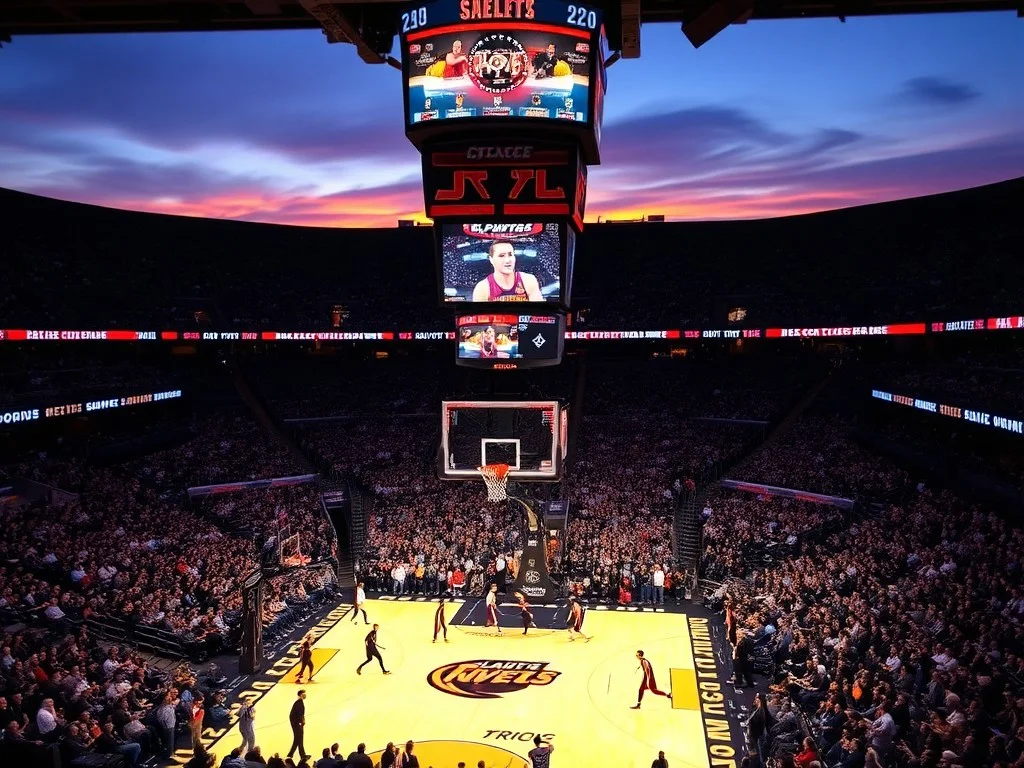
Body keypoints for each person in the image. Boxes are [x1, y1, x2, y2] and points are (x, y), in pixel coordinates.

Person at [471, 241, 544, 302]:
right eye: (502, 256)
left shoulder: (528, 280)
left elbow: (538, 312)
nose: (507, 260)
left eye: (510, 255)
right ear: (491, 259)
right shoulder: (482, 288)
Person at [287, 690, 308, 762]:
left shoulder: (299, 702)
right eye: (304, 694)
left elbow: (301, 714)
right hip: (297, 724)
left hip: (297, 723)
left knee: (298, 739)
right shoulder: (298, 703)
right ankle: (296, 755)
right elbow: (298, 714)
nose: (305, 695)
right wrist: (300, 722)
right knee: (298, 739)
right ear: (301, 695)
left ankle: (298, 755)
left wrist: (302, 721)